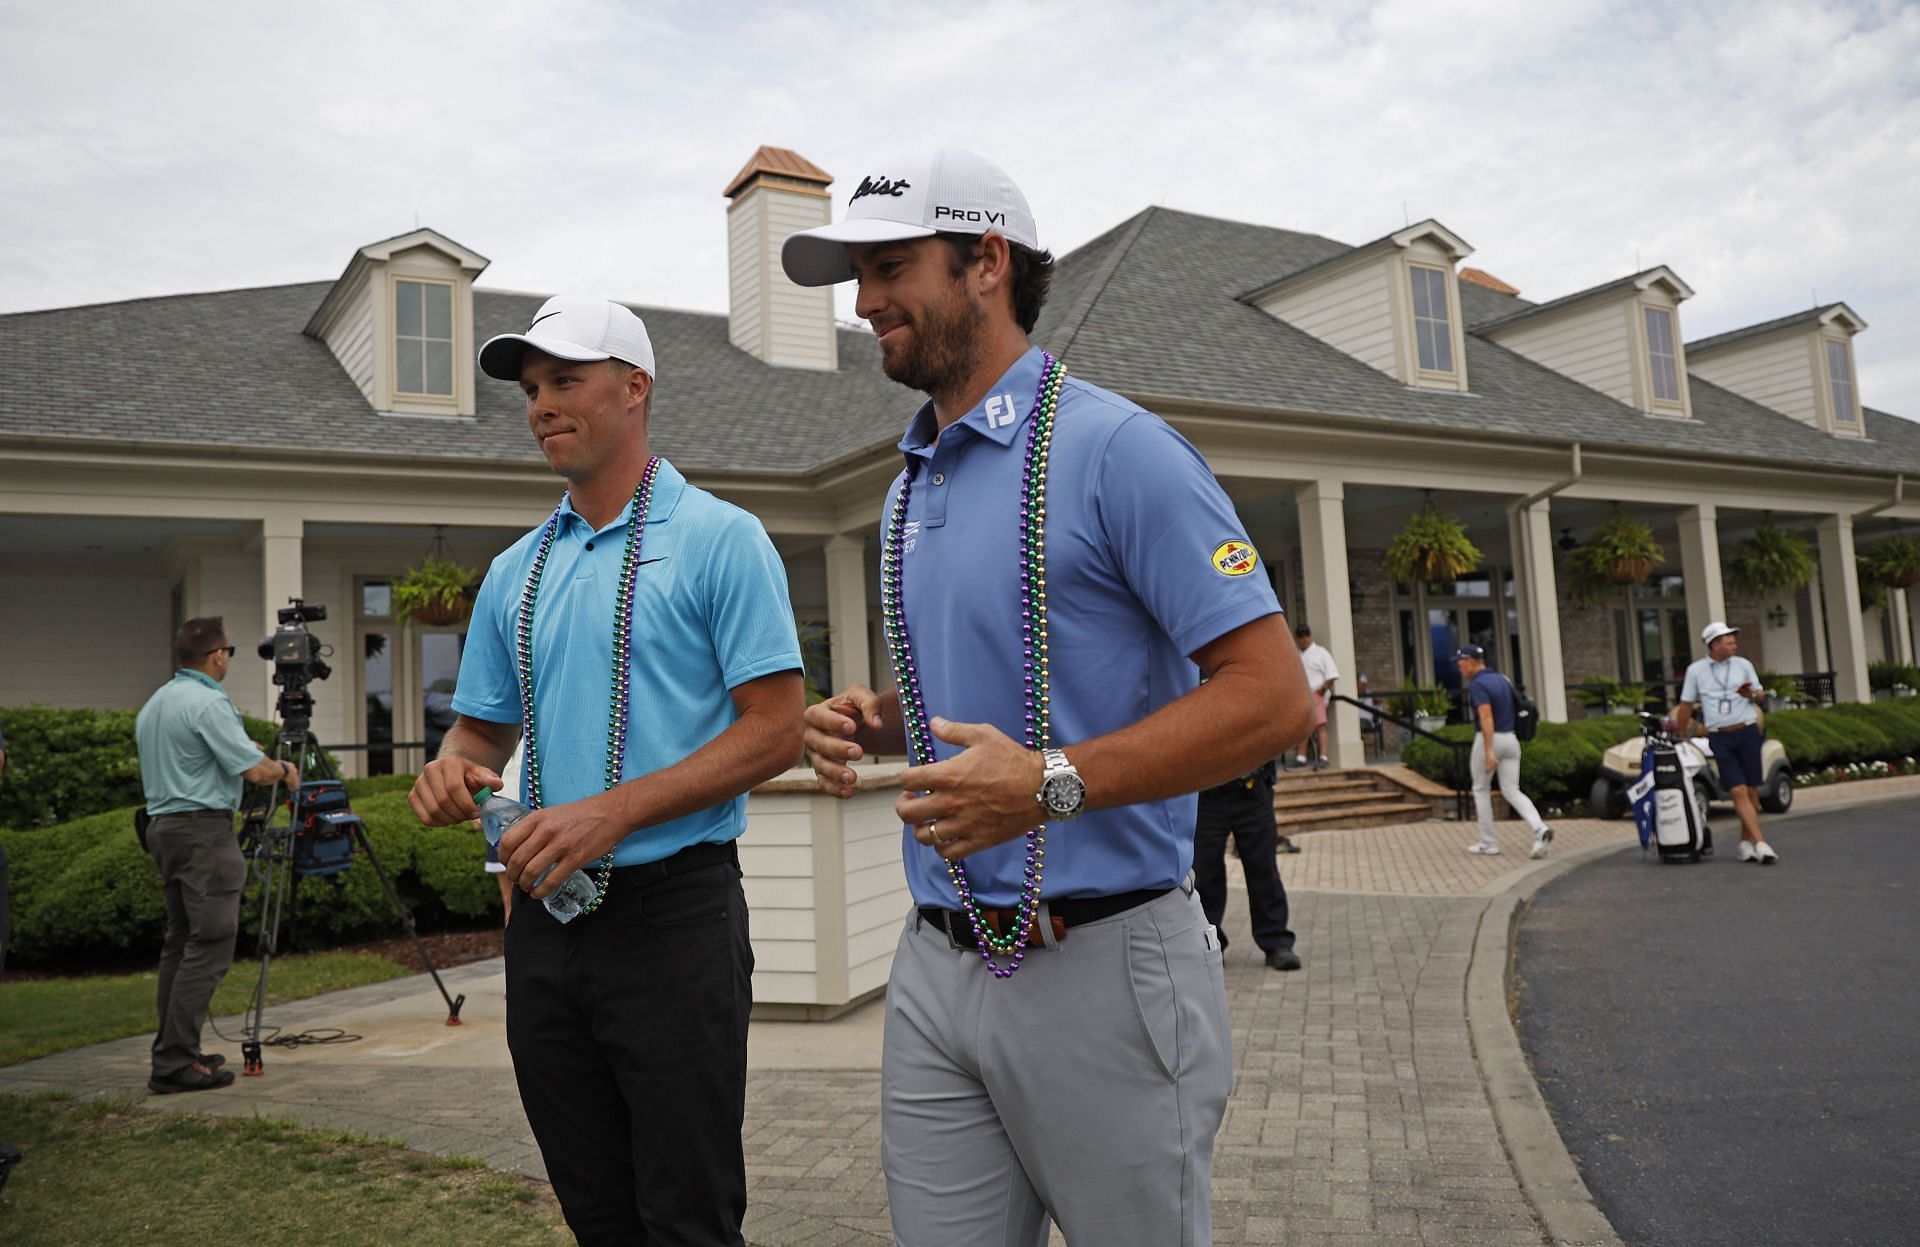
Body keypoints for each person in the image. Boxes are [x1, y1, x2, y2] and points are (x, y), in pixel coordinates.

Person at [784, 149, 1313, 1247]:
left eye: (890, 267)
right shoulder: (911, 479)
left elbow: (1273, 701)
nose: (865, 301)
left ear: (986, 261)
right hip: (935, 962)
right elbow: (1009, 679)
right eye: (857, 275)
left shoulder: (1120, 450)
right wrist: (877, 717)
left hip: (1105, 962)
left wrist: (1049, 784)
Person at [407, 294, 804, 1246]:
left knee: (688, 1216)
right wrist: (446, 770)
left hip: (676, 917)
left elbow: (778, 729)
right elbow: (479, 738)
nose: (542, 402)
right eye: (532, 387)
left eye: (566, 380)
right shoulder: (515, 569)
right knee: (595, 1212)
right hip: (547, 921)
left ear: (635, 388)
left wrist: (611, 813)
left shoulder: (721, 538)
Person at [135, 617, 298, 1094]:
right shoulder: (209, 701)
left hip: (164, 828)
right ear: (218, 655)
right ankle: (174, 1062)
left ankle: (176, 1048)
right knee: (208, 946)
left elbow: (201, 758)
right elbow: (253, 771)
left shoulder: (158, 702)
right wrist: (285, 768)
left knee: (181, 943)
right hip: (202, 832)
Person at [1675, 622, 1777, 864]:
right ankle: (1761, 843)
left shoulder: (1743, 665)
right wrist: (1680, 736)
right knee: (1738, 790)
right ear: (1715, 644)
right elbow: (1686, 705)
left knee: (1752, 791)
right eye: (1729, 641)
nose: (1735, 645)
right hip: (1720, 736)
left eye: (1734, 641)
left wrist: (1750, 695)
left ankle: (1745, 844)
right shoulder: (1696, 671)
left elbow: (1760, 696)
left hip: (1748, 731)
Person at [1193, 759, 1302, 971]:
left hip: (1253, 789)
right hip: (1206, 792)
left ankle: (1277, 942)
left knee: (1263, 869)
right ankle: (1210, 944)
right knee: (1205, 875)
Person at [1455, 644, 1553, 858]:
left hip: (1490, 738)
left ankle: (1489, 843)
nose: (1460, 669)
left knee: (1481, 789)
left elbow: (1486, 716)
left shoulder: (1478, 684)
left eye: (1461, 664)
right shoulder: (1502, 679)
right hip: (1511, 739)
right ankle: (1539, 828)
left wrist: (1489, 750)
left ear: (1472, 662)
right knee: (1511, 789)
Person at [1293, 624, 1339, 768]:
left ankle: (1323, 757)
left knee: (1319, 726)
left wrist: (1322, 690)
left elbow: (1332, 673)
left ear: (1310, 636)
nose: (1304, 638)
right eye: (1301, 636)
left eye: (1306, 635)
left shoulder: (1320, 652)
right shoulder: (1297, 655)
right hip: (1302, 695)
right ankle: (1301, 757)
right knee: (1304, 727)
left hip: (1316, 693)